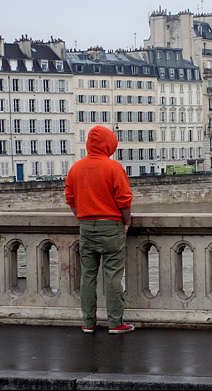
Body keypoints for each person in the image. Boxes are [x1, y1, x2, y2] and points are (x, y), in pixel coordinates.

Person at [64, 125, 135, 335]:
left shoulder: (76, 168)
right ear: (109, 144)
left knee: (87, 276)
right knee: (113, 276)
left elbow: (70, 197)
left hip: (86, 226)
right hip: (111, 225)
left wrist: (81, 215)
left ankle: (88, 322)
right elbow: (124, 199)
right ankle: (115, 323)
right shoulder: (113, 167)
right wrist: (126, 222)